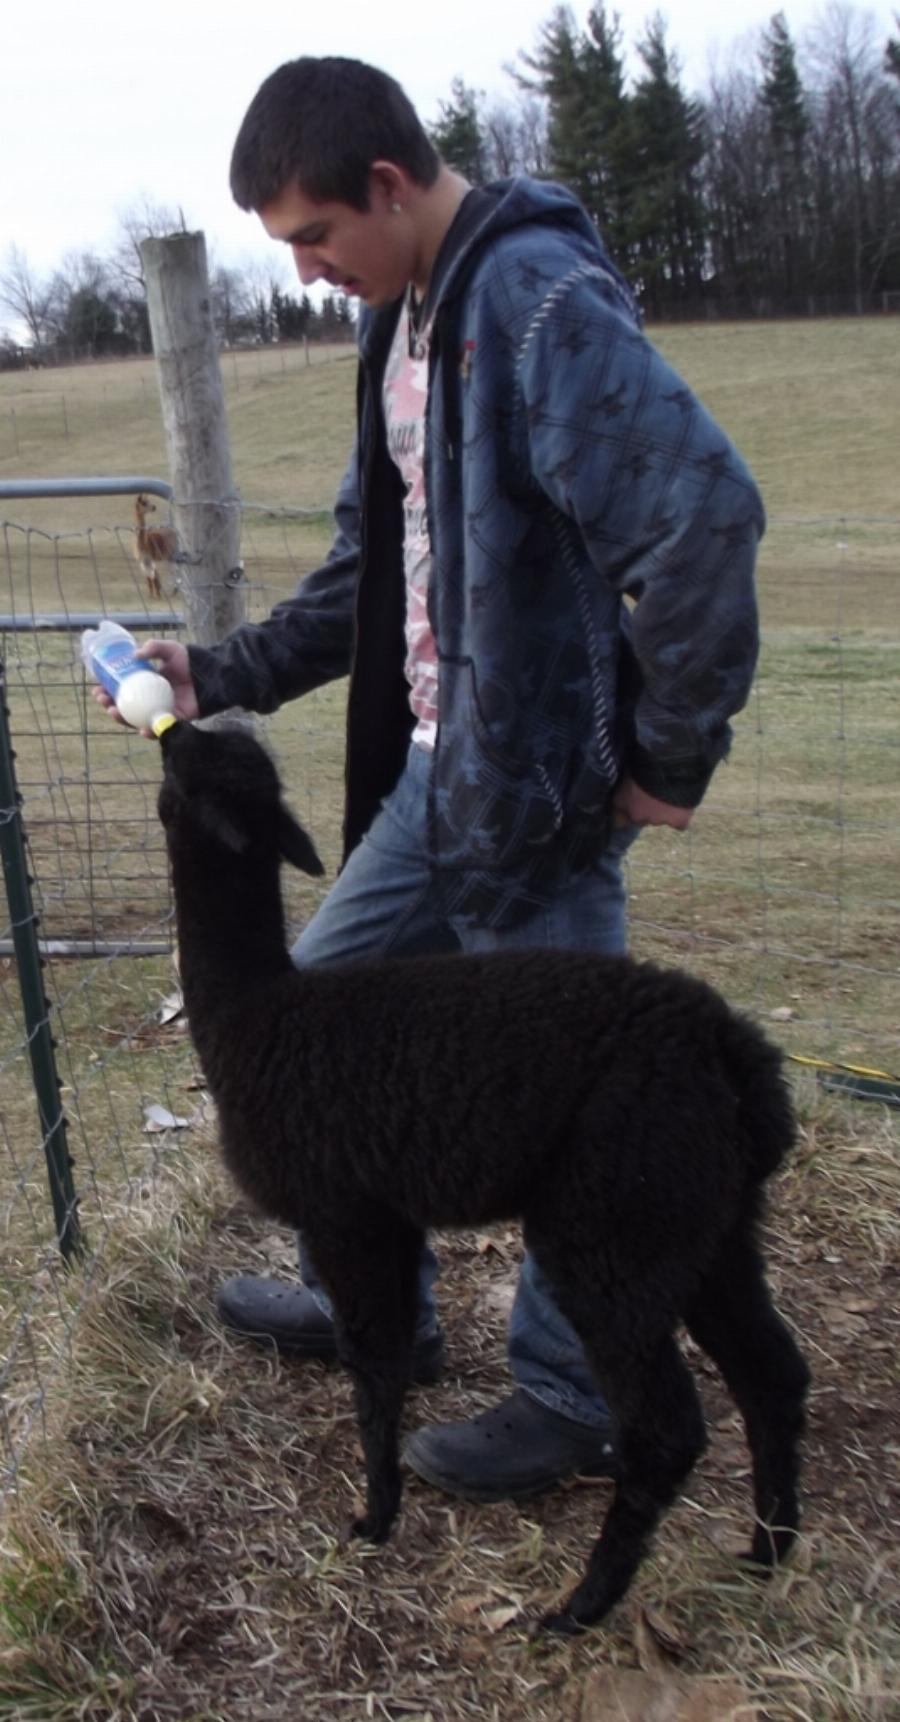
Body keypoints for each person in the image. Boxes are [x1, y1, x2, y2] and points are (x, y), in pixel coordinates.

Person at [106, 55, 765, 1503]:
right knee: (303, 1035)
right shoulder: (405, 319)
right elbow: (370, 568)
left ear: (389, 188)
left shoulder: (535, 310)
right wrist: (218, 673)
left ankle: (576, 1392)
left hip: (534, 802)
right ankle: (376, 1307)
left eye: (313, 237)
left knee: (572, 1124)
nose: (308, 268)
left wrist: (667, 756)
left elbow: (703, 522)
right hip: (431, 775)